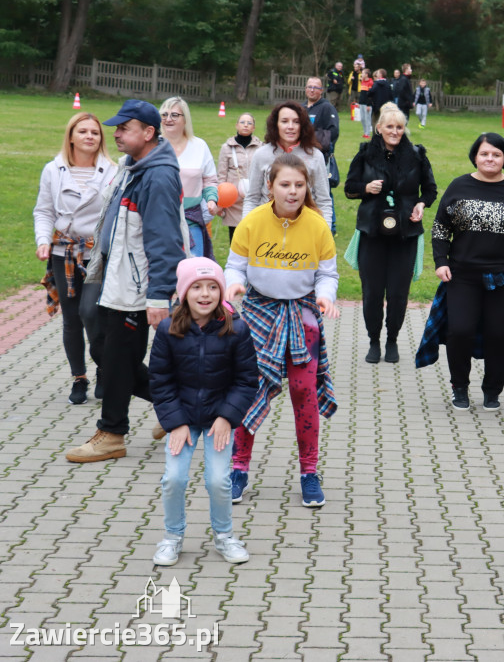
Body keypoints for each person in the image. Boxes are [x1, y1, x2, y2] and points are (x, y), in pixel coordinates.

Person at [66, 99, 185, 463]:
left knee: (116, 358)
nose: (114, 134)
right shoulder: (132, 166)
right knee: (104, 350)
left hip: (136, 289)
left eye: (124, 128)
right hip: (115, 280)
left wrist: (158, 296)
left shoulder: (159, 176)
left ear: (148, 133)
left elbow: (165, 241)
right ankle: (180, 407)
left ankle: (112, 433)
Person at [225, 154, 339, 508]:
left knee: (304, 392)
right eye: (285, 184)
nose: (292, 192)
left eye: (299, 185)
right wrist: (234, 286)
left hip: (303, 315)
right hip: (259, 314)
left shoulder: (318, 225)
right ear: (270, 186)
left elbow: (327, 273)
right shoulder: (252, 221)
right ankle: (238, 468)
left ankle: (309, 473)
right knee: (250, 390)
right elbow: (235, 266)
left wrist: (324, 297)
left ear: (308, 188)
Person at [149, 257, 258, 566]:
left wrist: (227, 417)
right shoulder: (169, 329)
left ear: (221, 293)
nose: (205, 294)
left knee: (218, 480)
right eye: (196, 287)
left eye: (212, 287)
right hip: (181, 420)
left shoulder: (236, 328)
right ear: (184, 292)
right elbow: (160, 380)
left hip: (218, 419)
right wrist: (176, 422)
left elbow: (247, 380)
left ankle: (224, 536)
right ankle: (172, 537)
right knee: (173, 478)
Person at [424, 132, 504, 410]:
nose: (490, 158)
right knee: (460, 331)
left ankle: (492, 390)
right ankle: (459, 386)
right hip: (463, 274)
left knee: (499, 333)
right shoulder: (458, 186)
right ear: (475, 156)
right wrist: (441, 261)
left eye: (496, 154)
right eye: (485, 153)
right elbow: (440, 229)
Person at [345, 103, 437, 364]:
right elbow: (349, 188)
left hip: (404, 234)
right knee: (372, 291)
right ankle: (374, 340)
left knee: (398, 292)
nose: (395, 131)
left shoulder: (417, 155)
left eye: (399, 127)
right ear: (379, 128)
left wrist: (420, 204)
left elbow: (430, 190)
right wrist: (366, 188)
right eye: (390, 127)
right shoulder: (365, 154)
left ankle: (392, 339)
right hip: (372, 232)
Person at [34, 112, 115, 405]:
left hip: (96, 254)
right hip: (63, 252)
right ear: (71, 137)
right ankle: (78, 377)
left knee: (91, 312)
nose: (90, 136)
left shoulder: (112, 171)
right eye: (83, 131)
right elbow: (44, 211)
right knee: (71, 319)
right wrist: (44, 241)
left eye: (95, 132)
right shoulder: (53, 170)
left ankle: (104, 367)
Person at [242, 101, 330, 222]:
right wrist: (246, 228)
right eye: (284, 121)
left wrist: (325, 232)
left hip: (304, 225)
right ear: (276, 125)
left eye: (296, 122)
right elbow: (252, 199)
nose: (290, 126)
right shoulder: (261, 155)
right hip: (267, 225)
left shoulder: (315, 156)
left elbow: (323, 201)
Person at [160, 97, 218, 258]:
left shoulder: (199, 146)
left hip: (191, 222)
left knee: (194, 274)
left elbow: (209, 180)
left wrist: (212, 199)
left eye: (174, 115)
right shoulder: (154, 146)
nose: (168, 119)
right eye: (164, 115)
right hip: (159, 222)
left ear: (185, 119)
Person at [216, 112, 262, 245]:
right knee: (236, 239)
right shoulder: (227, 148)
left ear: (253, 128)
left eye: (249, 123)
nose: (246, 125)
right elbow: (222, 175)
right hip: (233, 201)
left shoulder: (260, 147)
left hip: (254, 199)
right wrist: (220, 202)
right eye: (242, 122)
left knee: (254, 238)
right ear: (237, 125)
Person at [304, 76, 340, 234]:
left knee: (323, 190)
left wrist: (312, 138)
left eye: (315, 87)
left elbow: (333, 132)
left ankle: (330, 226)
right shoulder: (301, 108)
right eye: (309, 86)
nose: (312, 90)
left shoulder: (326, 108)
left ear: (321, 91)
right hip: (300, 156)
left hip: (320, 156)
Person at [358, 68, 374, 139]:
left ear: (367, 74)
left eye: (363, 73)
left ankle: (368, 133)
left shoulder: (370, 82)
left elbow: (370, 95)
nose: (362, 74)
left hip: (367, 104)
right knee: (362, 118)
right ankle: (365, 132)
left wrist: (369, 105)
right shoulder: (362, 81)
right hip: (361, 103)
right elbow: (362, 94)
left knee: (367, 119)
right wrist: (359, 103)